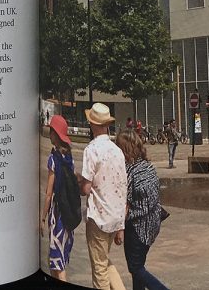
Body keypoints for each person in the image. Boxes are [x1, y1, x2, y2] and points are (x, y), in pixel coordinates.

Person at [80, 102, 126, 290]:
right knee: (104, 262)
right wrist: (121, 225)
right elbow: (123, 188)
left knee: (99, 269)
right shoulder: (117, 151)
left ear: (92, 124)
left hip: (99, 217)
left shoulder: (91, 150)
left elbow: (86, 188)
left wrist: (78, 181)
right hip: (115, 216)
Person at [116, 132, 170, 290]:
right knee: (139, 265)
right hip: (153, 225)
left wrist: (119, 228)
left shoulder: (129, 171)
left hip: (137, 228)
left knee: (136, 268)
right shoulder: (148, 166)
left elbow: (125, 204)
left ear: (124, 150)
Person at [43, 114, 77, 282]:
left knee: (58, 264)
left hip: (57, 214)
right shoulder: (70, 158)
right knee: (56, 260)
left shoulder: (53, 159)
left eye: (51, 131)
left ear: (54, 134)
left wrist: (43, 218)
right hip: (69, 213)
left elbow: (49, 193)